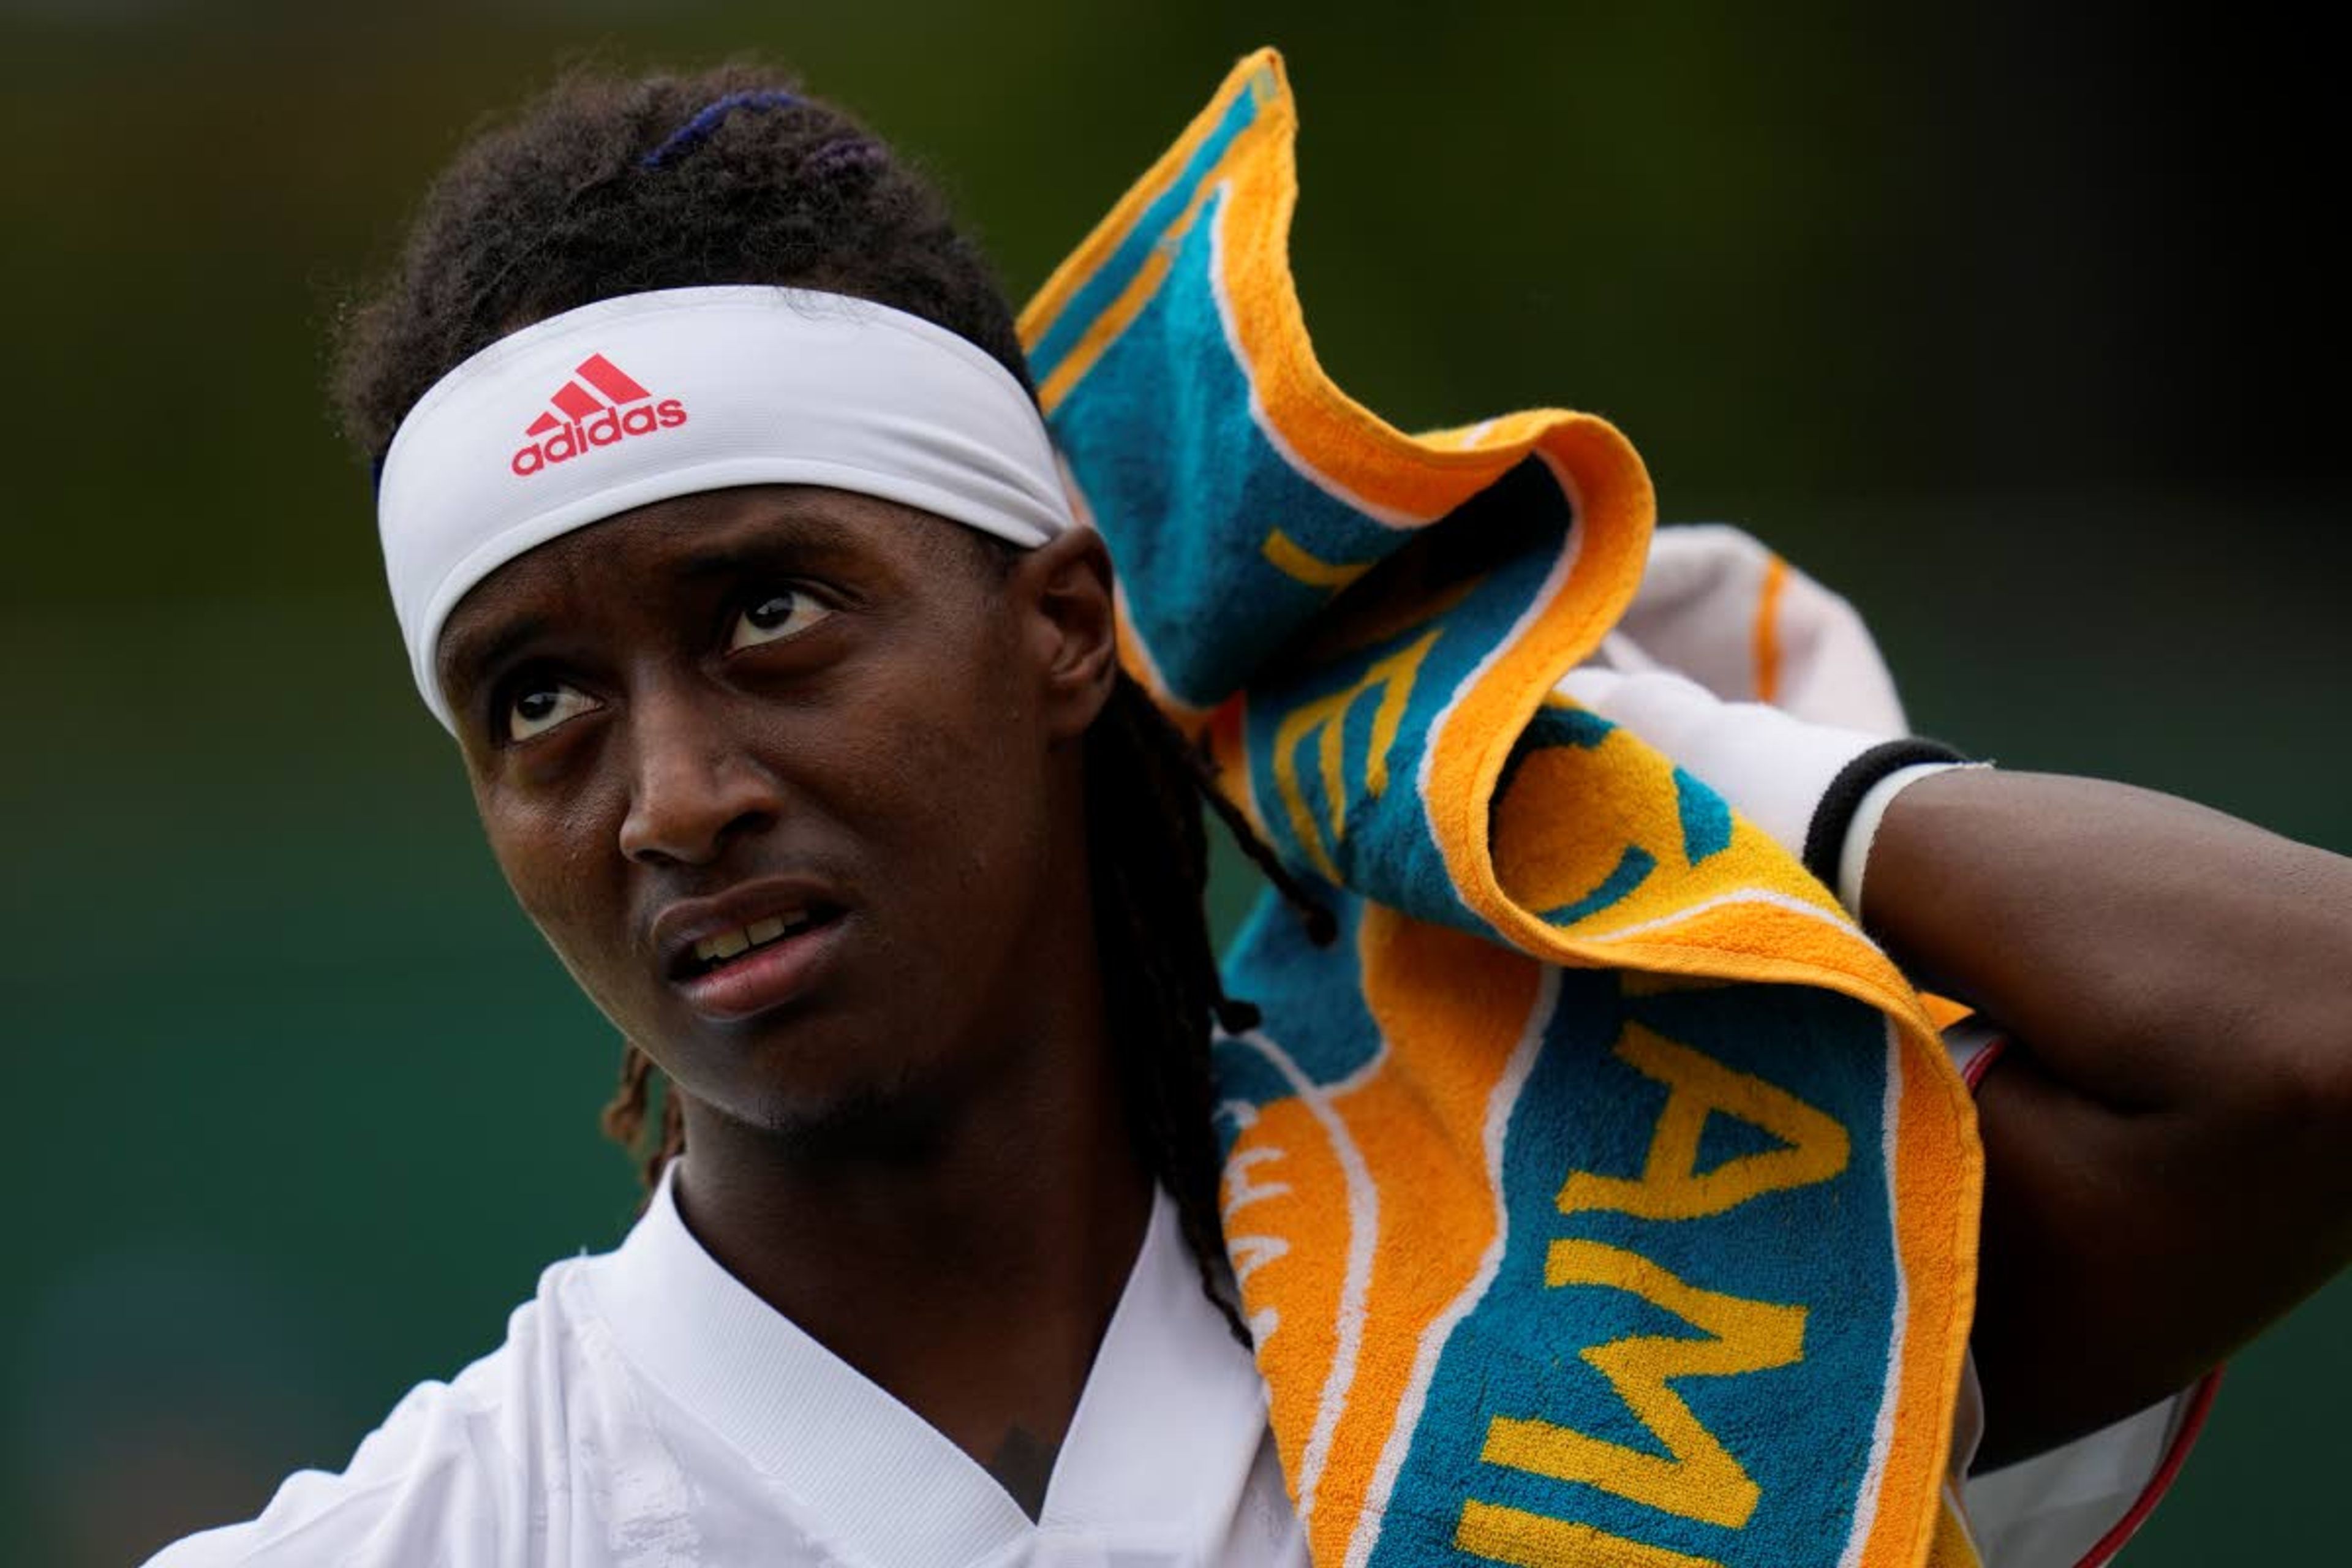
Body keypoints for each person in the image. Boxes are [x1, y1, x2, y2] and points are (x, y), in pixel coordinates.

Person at [147, 62, 2352, 1567]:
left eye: (775, 610)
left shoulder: (1625, 1280)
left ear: (1066, 627)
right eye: (538, 701)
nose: (676, 796)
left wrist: (1572, 762)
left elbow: (2303, 1041)